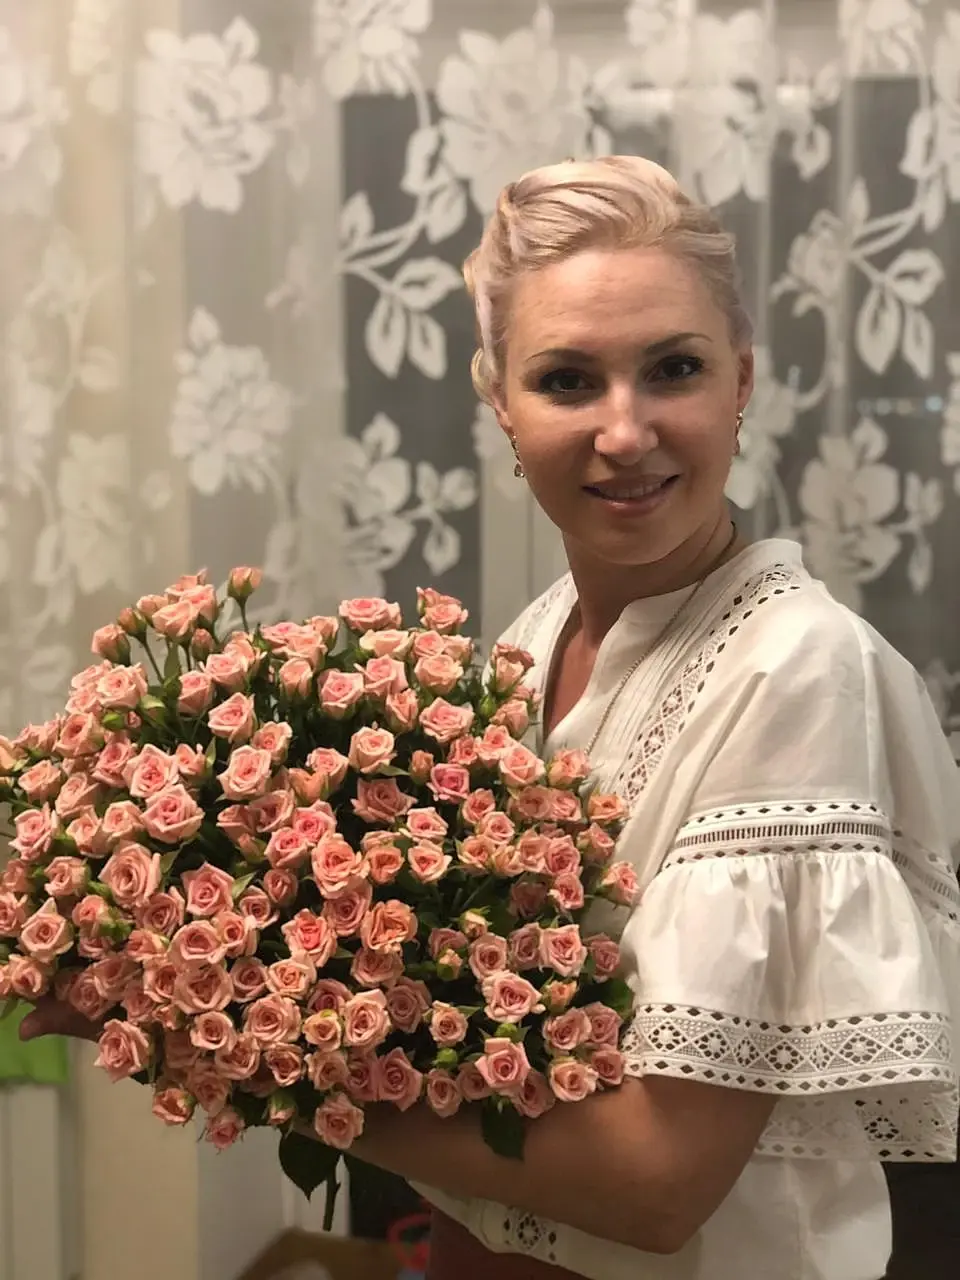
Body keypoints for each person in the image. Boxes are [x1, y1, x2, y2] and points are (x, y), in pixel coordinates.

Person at [22, 155, 960, 1280]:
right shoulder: (533, 640)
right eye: (568, 380)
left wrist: (216, 1046)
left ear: (742, 381)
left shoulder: (797, 665)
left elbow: (657, 1186)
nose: (626, 431)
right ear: (502, 407)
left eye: (674, 368)